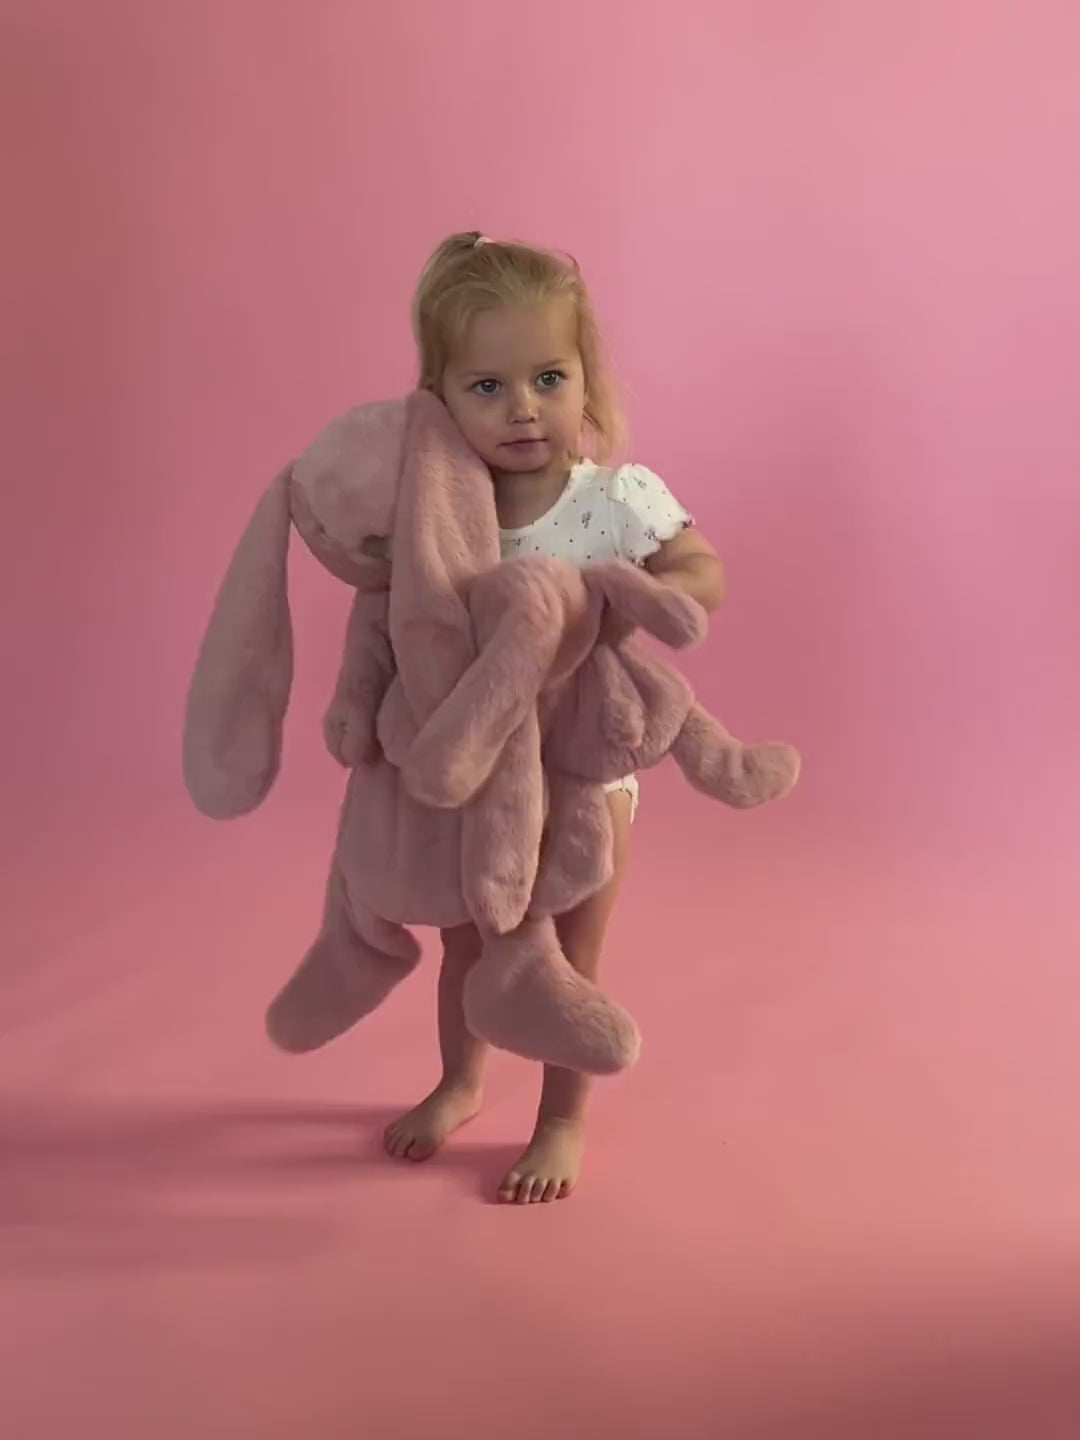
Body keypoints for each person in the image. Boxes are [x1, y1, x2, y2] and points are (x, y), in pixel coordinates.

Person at [383, 233, 726, 1202]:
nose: (523, 407)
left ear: (585, 379)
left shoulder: (613, 498)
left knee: (569, 956)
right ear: (439, 397)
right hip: (483, 769)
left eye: (547, 378)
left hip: (585, 768)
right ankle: (460, 1082)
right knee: (468, 943)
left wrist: (649, 595)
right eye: (487, 387)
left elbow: (702, 568)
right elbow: (401, 614)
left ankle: (562, 1120)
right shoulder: (444, 509)